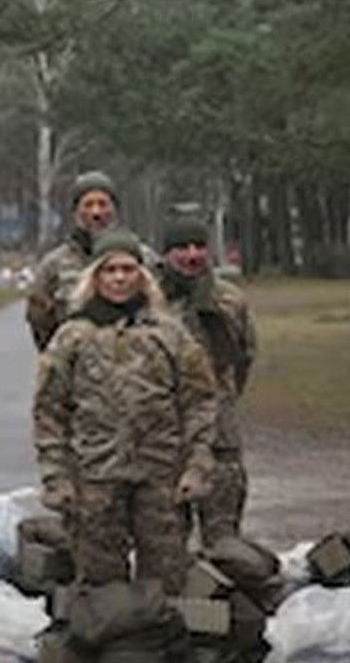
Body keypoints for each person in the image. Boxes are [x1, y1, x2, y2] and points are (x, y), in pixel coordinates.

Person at [32, 228, 217, 594]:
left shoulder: (170, 334)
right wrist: (57, 475)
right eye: (110, 270)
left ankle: (160, 631)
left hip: (161, 477)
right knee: (101, 589)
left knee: (165, 584)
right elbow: (49, 411)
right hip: (95, 479)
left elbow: (199, 402)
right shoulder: (72, 337)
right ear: (95, 277)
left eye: (128, 269)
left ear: (142, 276)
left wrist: (197, 465)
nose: (119, 278)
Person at [157, 214, 257, 543]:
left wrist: (222, 397)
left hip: (219, 436)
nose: (192, 255)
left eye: (199, 246)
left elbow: (244, 357)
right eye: (182, 248)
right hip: (164, 436)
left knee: (224, 540)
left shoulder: (230, 300)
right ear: (166, 253)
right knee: (166, 541)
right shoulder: (150, 300)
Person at [27, 171, 154, 351]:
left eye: (103, 204)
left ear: (115, 209)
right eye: (88, 205)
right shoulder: (53, 265)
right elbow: (40, 321)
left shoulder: (144, 258)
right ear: (75, 211)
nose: (96, 212)